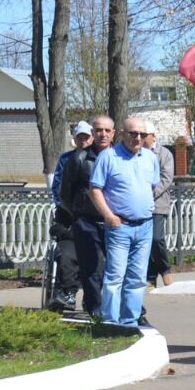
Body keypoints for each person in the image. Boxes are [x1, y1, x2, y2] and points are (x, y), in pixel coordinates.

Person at [87, 117, 161, 327]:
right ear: (122, 133)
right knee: (115, 276)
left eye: (142, 135)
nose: (137, 138)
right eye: (133, 133)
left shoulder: (149, 158)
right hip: (120, 227)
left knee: (137, 278)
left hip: (145, 225)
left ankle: (129, 322)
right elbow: (94, 189)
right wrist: (109, 216)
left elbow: (152, 186)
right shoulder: (108, 157)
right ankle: (110, 322)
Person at [59, 116, 114, 316]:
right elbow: (65, 192)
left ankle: (117, 308)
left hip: (115, 221)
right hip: (87, 221)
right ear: (93, 134)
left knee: (116, 268)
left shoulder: (119, 157)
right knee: (92, 267)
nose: (103, 134)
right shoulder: (79, 159)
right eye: (99, 130)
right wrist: (79, 214)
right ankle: (94, 309)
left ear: (113, 133)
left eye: (107, 131)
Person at [46, 121, 94, 311]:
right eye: (79, 137)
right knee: (67, 254)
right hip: (69, 216)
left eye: (86, 137)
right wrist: (66, 208)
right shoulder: (66, 159)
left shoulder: (101, 158)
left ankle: (92, 297)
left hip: (93, 216)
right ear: (74, 139)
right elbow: (58, 186)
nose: (83, 140)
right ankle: (67, 292)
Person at [143, 120, 175, 289]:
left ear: (153, 136)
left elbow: (166, 179)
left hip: (157, 203)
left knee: (156, 238)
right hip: (140, 206)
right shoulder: (137, 153)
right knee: (145, 240)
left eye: (144, 135)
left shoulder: (164, 154)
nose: (140, 138)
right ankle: (151, 277)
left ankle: (165, 268)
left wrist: (148, 194)